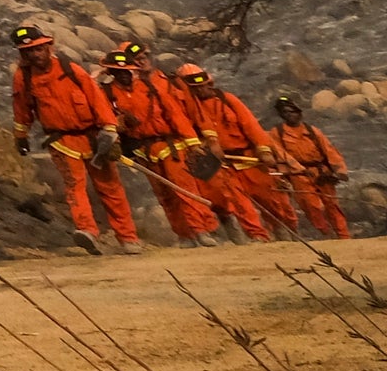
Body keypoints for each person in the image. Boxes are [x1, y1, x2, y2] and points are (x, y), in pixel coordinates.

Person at [11, 26, 142, 255]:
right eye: (28, 51)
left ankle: (128, 238)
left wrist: (109, 131)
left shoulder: (70, 69)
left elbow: (96, 98)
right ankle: (87, 231)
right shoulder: (24, 78)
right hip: (62, 140)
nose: (34, 54)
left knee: (110, 188)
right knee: (74, 187)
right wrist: (21, 136)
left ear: (47, 46)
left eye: (37, 49)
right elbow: (22, 109)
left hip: (93, 137)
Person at [103, 43, 220, 245]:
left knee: (185, 188)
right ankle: (184, 234)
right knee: (165, 196)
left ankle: (201, 231)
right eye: (118, 72)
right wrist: (119, 127)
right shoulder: (108, 94)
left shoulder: (153, 88)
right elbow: (104, 120)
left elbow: (175, 115)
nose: (124, 75)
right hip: (143, 150)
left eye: (127, 71)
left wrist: (193, 143)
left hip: (170, 146)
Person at [174, 65, 287, 242]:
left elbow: (251, 126)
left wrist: (264, 150)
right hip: (224, 164)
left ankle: (282, 231)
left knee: (269, 201)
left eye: (204, 85)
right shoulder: (188, 111)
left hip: (249, 159)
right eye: (195, 88)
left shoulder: (228, 100)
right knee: (240, 203)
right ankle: (258, 236)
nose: (201, 90)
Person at [269, 93, 353, 236]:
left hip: (321, 172)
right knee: (311, 206)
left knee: (332, 204)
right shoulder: (277, 133)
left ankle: (343, 235)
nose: (289, 115)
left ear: (298, 112)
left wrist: (340, 171)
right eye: (285, 112)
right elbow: (281, 154)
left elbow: (329, 150)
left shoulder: (312, 131)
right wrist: (299, 169)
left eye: (291, 111)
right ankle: (325, 233)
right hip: (299, 176)